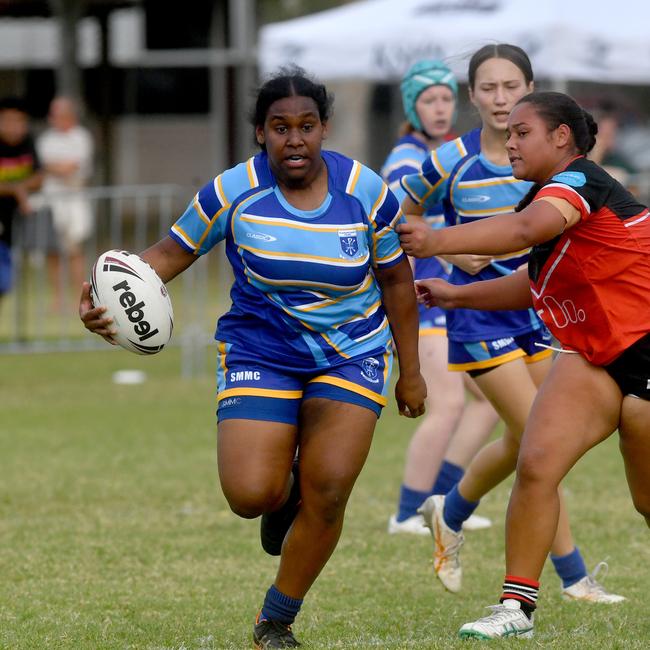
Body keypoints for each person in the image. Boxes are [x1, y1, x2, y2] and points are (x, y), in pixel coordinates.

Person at [79, 67, 426, 649]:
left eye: (308, 126)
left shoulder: (367, 191)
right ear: (260, 133)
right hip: (260, 348)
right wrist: (106, 295)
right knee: (250, 496)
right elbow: (167, 254)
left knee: (332, 488)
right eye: (280, 127)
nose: (295, 139)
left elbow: (395, 279)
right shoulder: (231, 190)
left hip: (353, 351)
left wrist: (410, 372)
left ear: (325, 129)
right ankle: (283, 491)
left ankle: (276, 620)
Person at [403, 90, 650, 639]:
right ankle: (516, 608)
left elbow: (522, 234)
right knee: (536, 464)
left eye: (521, 132)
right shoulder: (544, 199)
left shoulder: (580, 182)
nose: (509, 142)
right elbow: (535, 285)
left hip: (647, 350)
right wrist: (455, 295)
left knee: (647, 500)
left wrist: (434, 238)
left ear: (561, 138)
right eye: (507, 132)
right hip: (594, 355)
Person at [381, 59, 498, 536]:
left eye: (446, 98)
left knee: (490, 400)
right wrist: (463, 240)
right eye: (428, 100)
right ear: (413, 107)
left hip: (449, 297)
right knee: (448, 403)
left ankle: (443, 500)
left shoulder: (449, 151)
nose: (440, 107)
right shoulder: (406, 158)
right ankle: (406, 513)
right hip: (420, 298)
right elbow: (395, 225)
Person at [37, 96, 94, 311]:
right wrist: (56, 168)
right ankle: (57, 298)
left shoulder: (81, 137)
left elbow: (72, 167)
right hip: (52, 201)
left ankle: (78, 296)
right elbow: (42, 166)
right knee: (53, 250)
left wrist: (54, 167)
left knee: (74, 249)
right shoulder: (46, 139)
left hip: (74, 200)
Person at [0, 96, 42, 308]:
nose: (14, 127)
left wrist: (19, 189)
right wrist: (17, 190)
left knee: (5, 283)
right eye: (8, 120)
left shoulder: (28, 143)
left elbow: (39, 176)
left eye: (19, 121)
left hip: (10, 227)